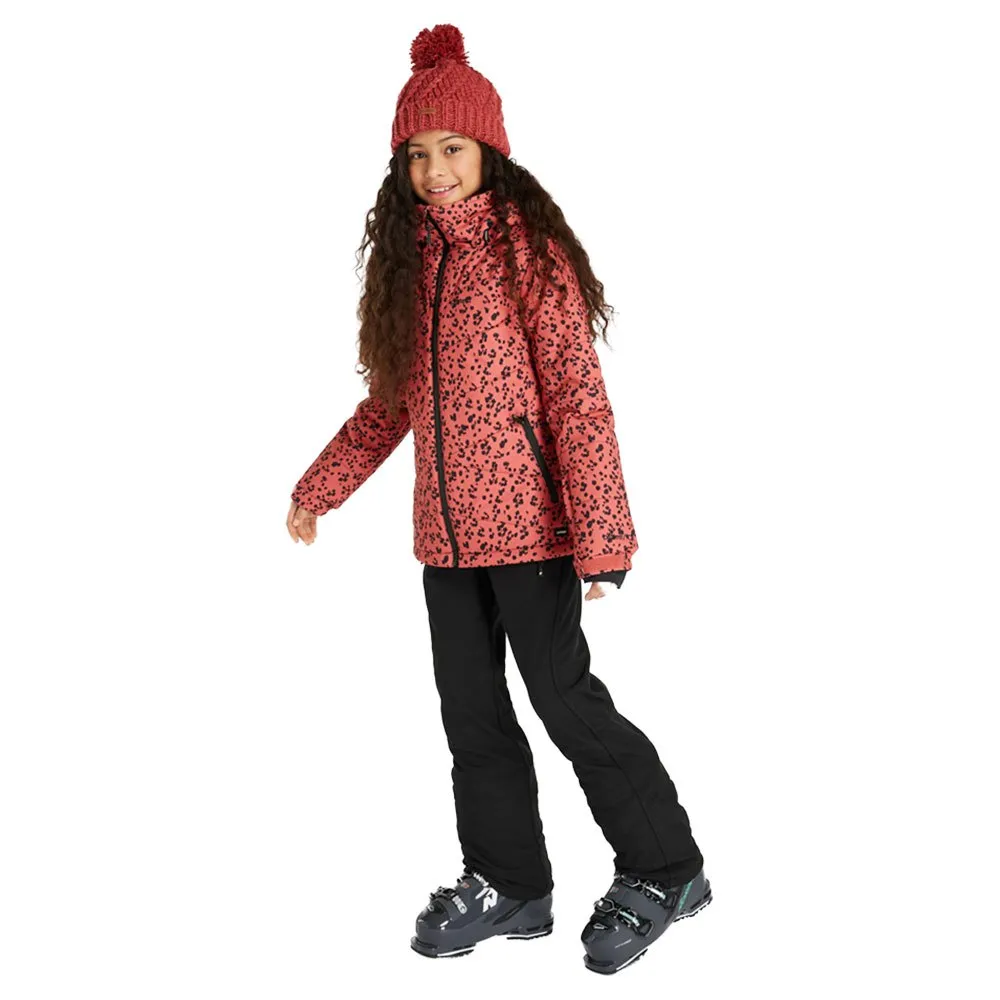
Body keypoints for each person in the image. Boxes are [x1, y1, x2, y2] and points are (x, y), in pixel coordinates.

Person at [286, 23, 711, 975]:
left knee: (565, 703)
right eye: (417, 155)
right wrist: (320, 489)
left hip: (534, 533)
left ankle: (666, 869)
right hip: (444, 543)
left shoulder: (530, 256)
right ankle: (511, 882)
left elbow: (576, 398)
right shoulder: (410, 270)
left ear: (489, 151)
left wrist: (604, 538)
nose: (435, 171)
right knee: (471, 716)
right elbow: (390, 404)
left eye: (453, 148)